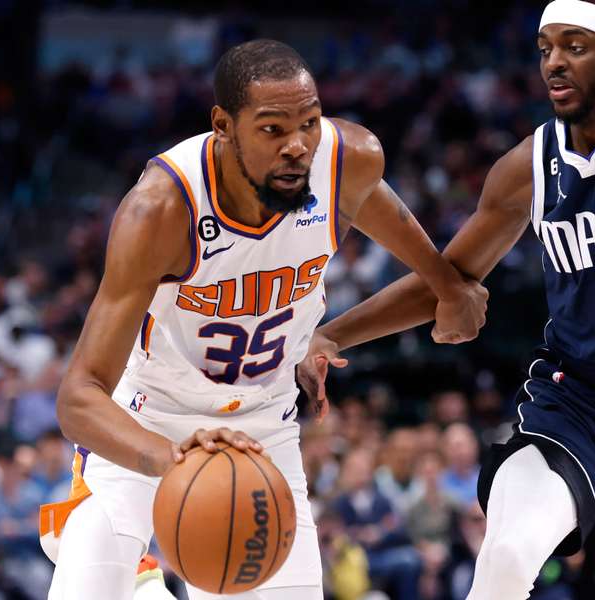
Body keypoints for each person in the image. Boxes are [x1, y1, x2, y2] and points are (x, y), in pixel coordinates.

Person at [299, 1, 595, 598]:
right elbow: (450, 276)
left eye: (575, 46)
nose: (554, 61)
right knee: (505, 555)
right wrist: (333, 334)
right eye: (546, 46)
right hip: (577, 402)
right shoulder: (528, 163)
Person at [42, 39, 488, 600]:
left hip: (263, 431)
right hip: (148, 426)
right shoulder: (161, 209)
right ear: (223, 125)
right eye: (273, 129)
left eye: (309, 122)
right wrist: (176, 460)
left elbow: (388, 216)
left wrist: (449, 286)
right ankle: (140, 579)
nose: (298, 146)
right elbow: (78, 398)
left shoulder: (347, 163)